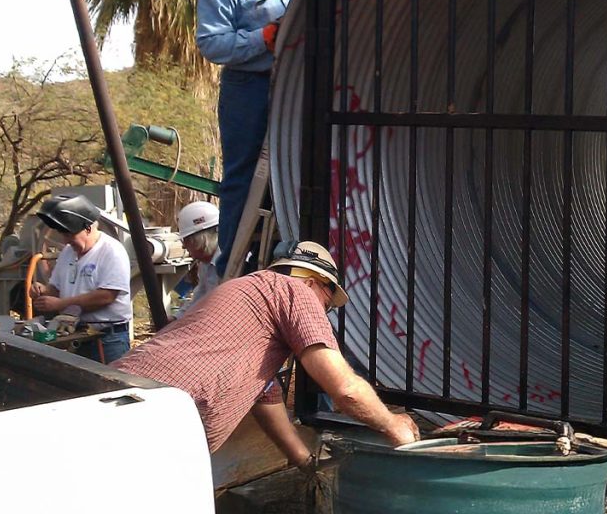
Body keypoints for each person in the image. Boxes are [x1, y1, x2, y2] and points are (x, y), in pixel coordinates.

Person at [114, 241, 419, 465]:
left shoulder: (245, 294)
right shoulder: (295, 291)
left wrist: (304, 460)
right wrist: (393, 425)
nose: (324, 310)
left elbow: (264, 394)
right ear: (314, 282)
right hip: (156, 420)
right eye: (327, 301)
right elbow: (345, 389)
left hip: (117, 393)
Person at [196, 0, 307, 276]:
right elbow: (212, 43)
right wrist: (263, 38)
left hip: (296, 82)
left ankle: (296, 250)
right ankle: (232, 266)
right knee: (242, 176)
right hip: (250, 88)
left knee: (302, 166)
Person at [30, 195, 133, 363]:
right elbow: (56, 289)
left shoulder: (112, 251)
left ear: (88, 228)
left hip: (108, 339)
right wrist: (42, 290)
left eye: (70, 235)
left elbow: (106, 296)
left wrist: (61, 304)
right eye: (63, 235)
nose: (66, 240)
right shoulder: (68, 253)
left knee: (112, 385)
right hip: (76, 334)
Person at [175, 200, 221, 316]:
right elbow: (200, 297)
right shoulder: (205, 265)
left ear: (201, 239)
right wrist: (176, 318)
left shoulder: (232, 262)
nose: (183, 246)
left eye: (186, 241)